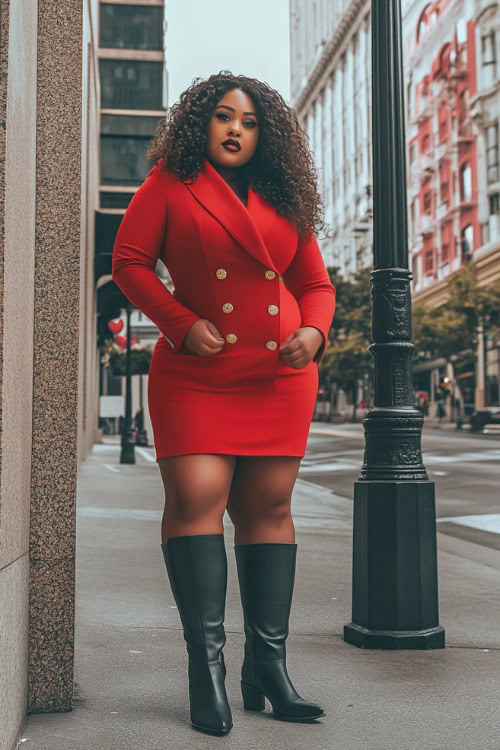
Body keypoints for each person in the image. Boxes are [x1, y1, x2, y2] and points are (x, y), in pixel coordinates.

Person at [112, 71, 336, 736]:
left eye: (250, 121)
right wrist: (180, 323)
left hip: (278, 374)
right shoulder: (168, 184)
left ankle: (267, 667)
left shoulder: (282, 195)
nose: (236, 129)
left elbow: (314, 282)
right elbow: (129, 262)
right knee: (197, 500)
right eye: (223, 117)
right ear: (200, 125)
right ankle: (205, 671)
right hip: (196, 370)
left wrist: (314, 332)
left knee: (269, 508)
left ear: (268, 136)